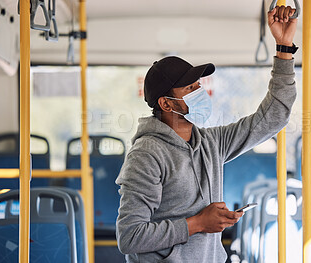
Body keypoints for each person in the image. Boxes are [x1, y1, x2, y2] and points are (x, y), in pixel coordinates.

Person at [116, 5, 298, 263]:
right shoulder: (146, 155)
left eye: (198, 86)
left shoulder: (210, 143)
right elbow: (130, 236)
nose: (200, 93)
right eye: (189, 88)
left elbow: (272, 117)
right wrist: (199, 223)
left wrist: (284, 49)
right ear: (166, 104)